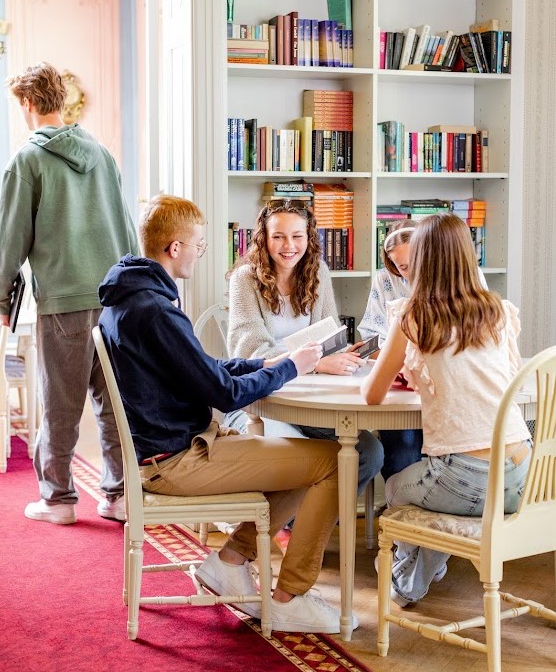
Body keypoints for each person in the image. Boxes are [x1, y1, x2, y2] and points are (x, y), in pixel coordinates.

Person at [98, 194, 357, 634]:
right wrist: (294, 365)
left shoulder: (133, 298)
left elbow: (207, 369)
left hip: (169, 452)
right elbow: (223, 392)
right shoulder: (156, 311)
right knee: (334, 461)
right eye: (198, 245)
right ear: (175, 248)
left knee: (309, 457)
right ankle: (288, 598)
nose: (201, 254)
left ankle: (231, 560)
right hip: (178, 461)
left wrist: (268, 364)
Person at [361, 213, 532, 607]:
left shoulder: (412, 315)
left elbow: (372, 395)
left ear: (421, 260)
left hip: (463, 479)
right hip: (525, 475)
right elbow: (507, 378)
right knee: (433, 484)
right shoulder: (499, 311)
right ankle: (424, 564)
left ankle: (408, 581)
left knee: (395, 488)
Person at [0, 62, 138, 525]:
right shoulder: (102, 154)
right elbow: (125, 226)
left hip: (64, 301)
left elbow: (8, 241)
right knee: (113, 402)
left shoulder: (28, 160)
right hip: (118, 299)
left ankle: (58, 500)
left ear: (29, 103)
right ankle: (118, 496)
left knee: (61, 403)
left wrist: (1, 300)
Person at [225, 199, 384, 494]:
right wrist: (315, 363)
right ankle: (298, 522)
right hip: (261, 402)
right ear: (263, 238)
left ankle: (309, 521)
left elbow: (329, 336)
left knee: (370, 452)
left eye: (297, 236)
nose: (289, 245)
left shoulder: (317, 272)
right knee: (294, 454)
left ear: (309, 238)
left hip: (311, 398)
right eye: (278, 236)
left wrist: (344, 352)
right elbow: (250, 353)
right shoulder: (244, 280)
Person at [358, 220, 424, 484]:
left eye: (414, 262)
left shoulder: (460, 277)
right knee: (402, 447)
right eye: (401, 267)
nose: (409, 273)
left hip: (441, 387)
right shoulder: (385, 281)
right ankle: (400, 507)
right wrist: (396, 357)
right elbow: (371, 338)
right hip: (400, 381)